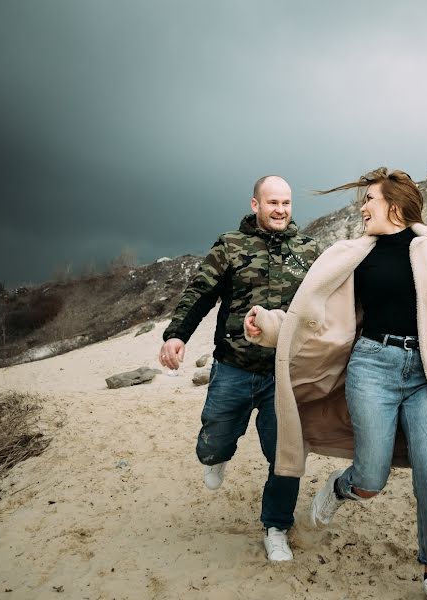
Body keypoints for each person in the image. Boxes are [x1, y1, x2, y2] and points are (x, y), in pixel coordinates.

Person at [244, 167, 427, 599]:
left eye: (370, 199)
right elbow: (312, 314)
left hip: (423, 375)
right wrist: (271, 327)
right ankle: (340, 487)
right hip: (371, 369)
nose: (363, 207)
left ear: (395, 206)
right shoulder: (353, 254)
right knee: (371, 478)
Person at [158, 175, 319, 561]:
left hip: (283, 372)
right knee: (212, 442)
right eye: (273, 203)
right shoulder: (231, 246)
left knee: (285, 455)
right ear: (255, 205)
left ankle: (276, 526)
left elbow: (320, 295)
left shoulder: (303, 252)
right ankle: (218, 457)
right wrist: (176, 334)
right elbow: (201, 292)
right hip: (233, 367)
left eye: (286, 203)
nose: (280, 210)